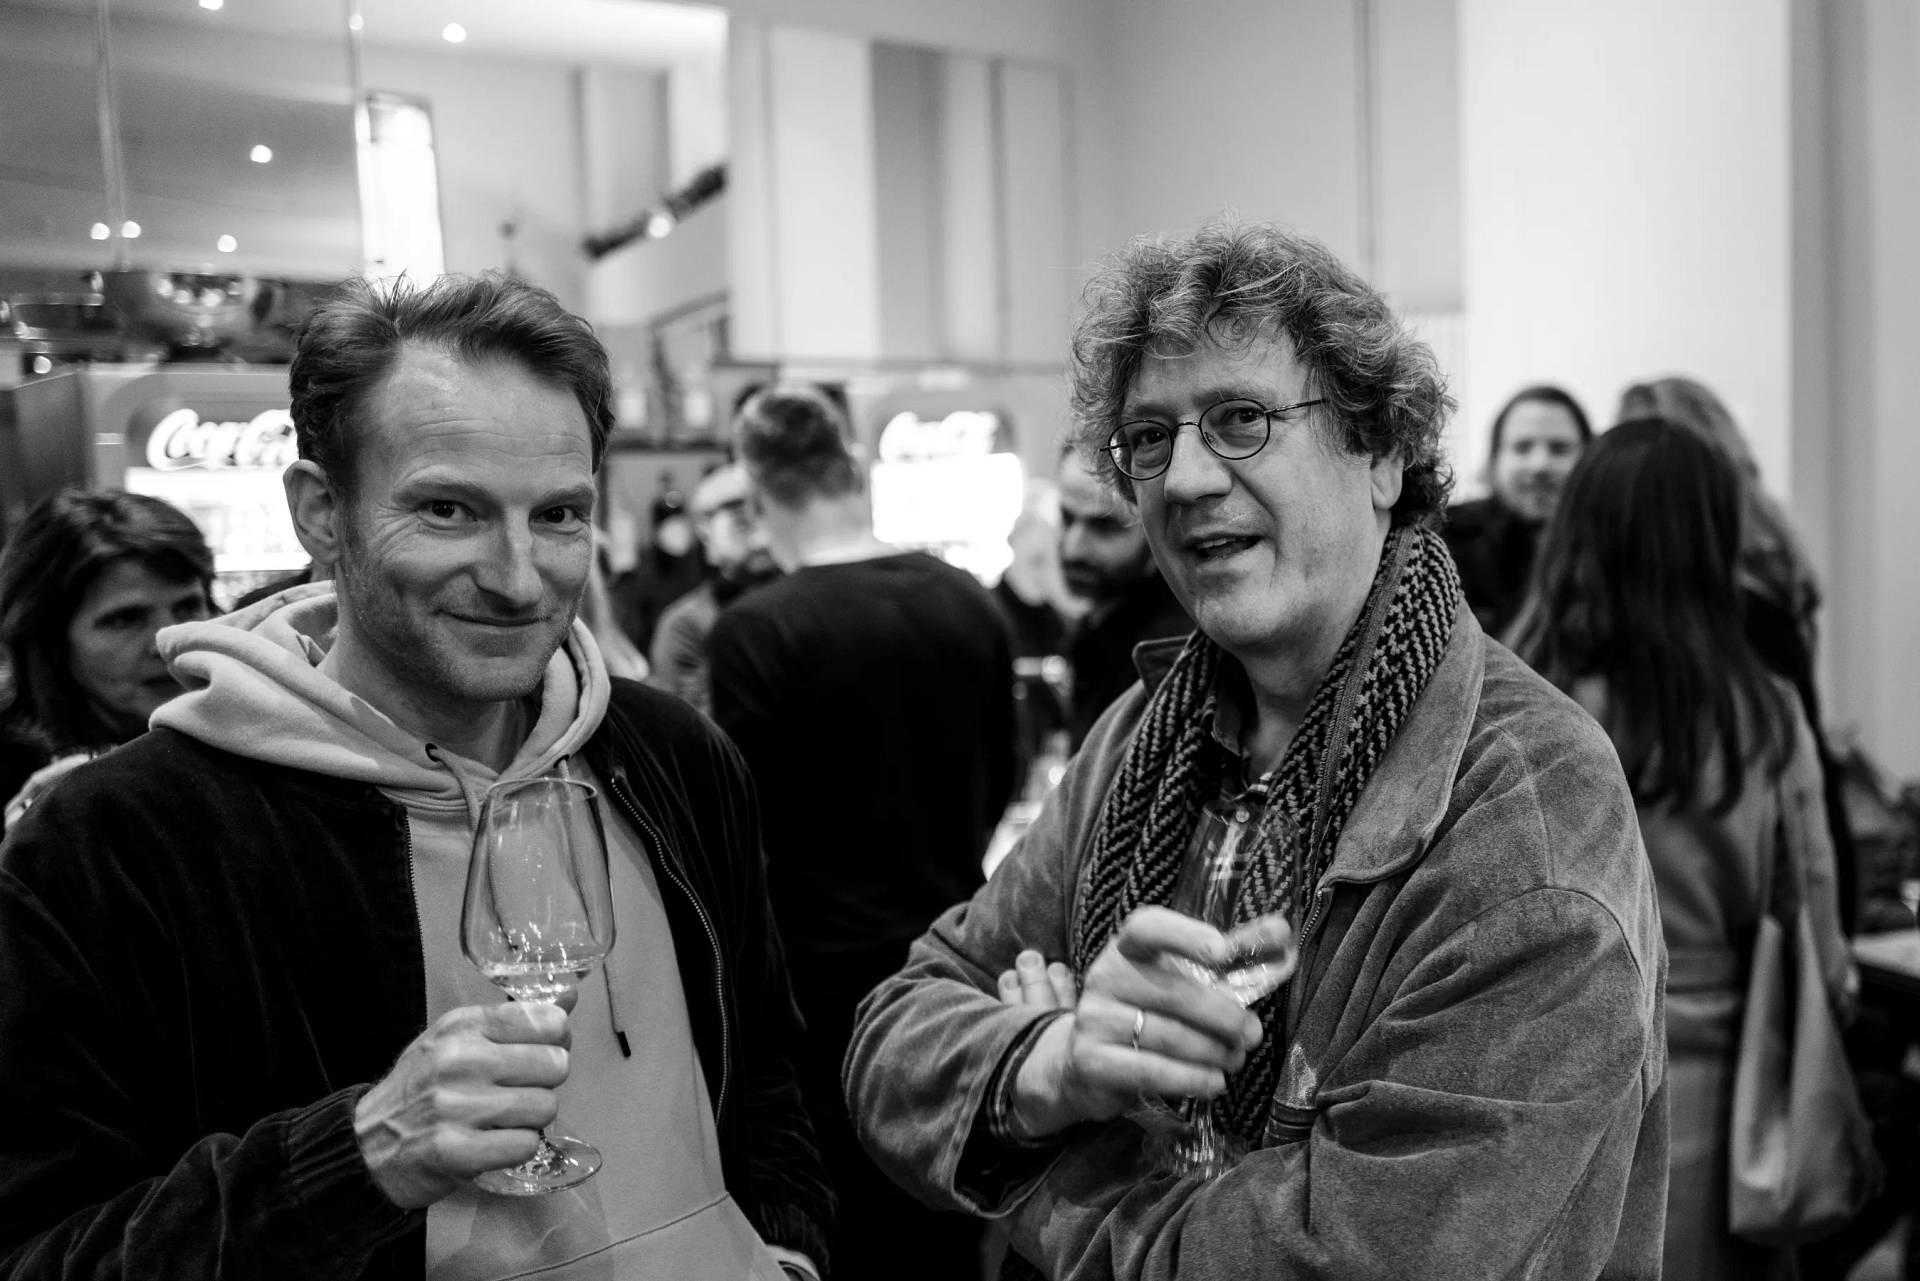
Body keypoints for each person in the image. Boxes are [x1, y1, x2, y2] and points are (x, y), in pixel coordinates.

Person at [843, 222, 1667, 1280]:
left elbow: (1350, 1261)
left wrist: (1050, 1161)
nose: (1184, 478)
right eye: (1148, 436)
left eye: (1241, 419)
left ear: (1382, 452)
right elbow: (893, 1035)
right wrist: (1053, 1066)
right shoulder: (1147, 734)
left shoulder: (1527, 816)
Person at [0, 274, 830, 1281]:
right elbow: (43, 1251)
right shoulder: (116, 842)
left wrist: (786, 1246)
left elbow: (765, 1075)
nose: (519, 578)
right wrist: (358, 1158)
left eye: (559, 515)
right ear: (320, 511)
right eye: (448, 509)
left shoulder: (673, 756)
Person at [1510, 417, 1852, 1280]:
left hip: (1535, 1060)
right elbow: (1814, 921)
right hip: (1719, 1083)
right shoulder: (1763, 712)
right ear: (1712, 542)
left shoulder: (1516, 699)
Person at [707, 383, 1017, 1281]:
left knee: (844, 1238)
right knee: (943, 1228)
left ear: (758, 491)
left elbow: (747, 839)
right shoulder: (967, 600)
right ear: (850, 469)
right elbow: (1001, 777)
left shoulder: (755, 631)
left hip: (820, 998)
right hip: (955, 965)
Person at [0, 487, 215, 833]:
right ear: (50, 639)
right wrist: (20, 848)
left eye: (188, 607)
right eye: (127, 618)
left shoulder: (241, 730)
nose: (168, 643)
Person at [1056, 445, 1192, 749]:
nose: (1073, 549)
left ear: (1156, 525)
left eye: (1103, 526)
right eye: (1066, 518)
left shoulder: (1166, 654)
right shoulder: (1098, 628)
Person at [1439, 383, 1591, 637]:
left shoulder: (1611, 544)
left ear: (1589, 458)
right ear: (1494, 459)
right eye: (1522, 447)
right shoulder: (1446, 537)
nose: (1540, 465)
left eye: (1559, 449)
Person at [647, 462, 779, 714]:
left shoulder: (800, 602)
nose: (761, 539)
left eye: (768, 520)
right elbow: (685, 722)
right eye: (743, 524)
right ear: (705, 531)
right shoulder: (687, 623)